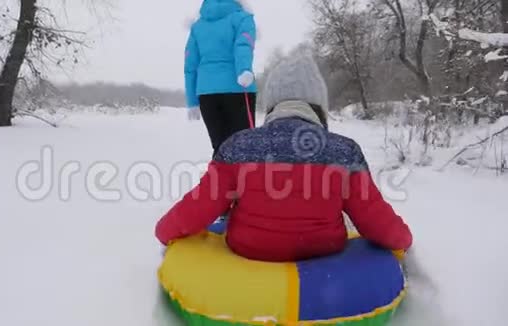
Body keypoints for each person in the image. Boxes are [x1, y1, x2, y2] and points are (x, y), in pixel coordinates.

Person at [156, 52, 412, 262]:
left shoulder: (237, 146)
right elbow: (373, 218)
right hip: (322, 253)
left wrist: (165, 230)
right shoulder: (345, 152)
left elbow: (200, 206)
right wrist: (403, 238)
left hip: (250, 250)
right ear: (319, 108)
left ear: (272, 105)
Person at [184, 0, 258, 157]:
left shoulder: (198, 27)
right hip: (238, 89)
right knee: (244, 148)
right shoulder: (243, 18)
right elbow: (243, 45)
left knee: (220, 149)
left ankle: (220, 180)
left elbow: (190, 65)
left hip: (207, 94)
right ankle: (244, 180)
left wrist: (192, 101)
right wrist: (244, 70)